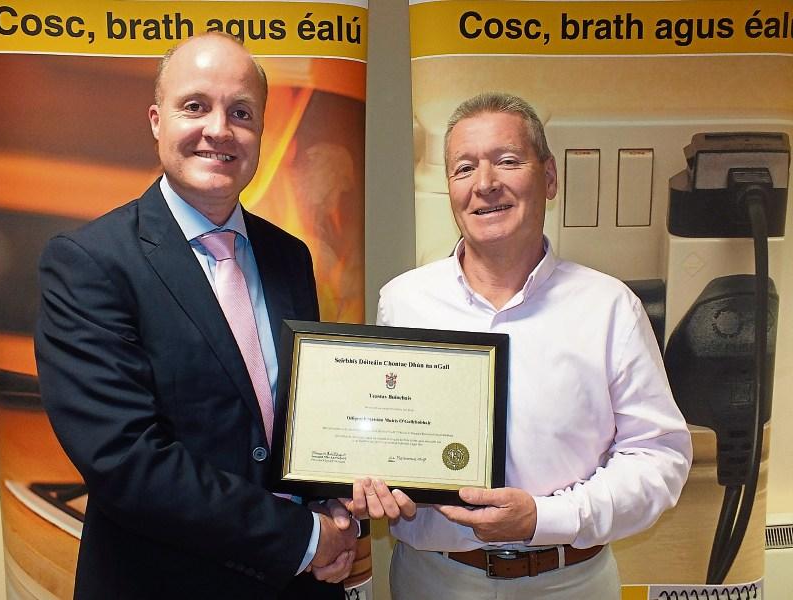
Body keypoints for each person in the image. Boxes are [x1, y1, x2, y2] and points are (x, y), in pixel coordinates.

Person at [34, 32, 356, 600]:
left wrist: (338, 498)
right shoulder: (89, 263)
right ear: (157, 120)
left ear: (261, 131)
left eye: (241, 112)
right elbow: (127, 461)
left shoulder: (290, 256)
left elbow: (297, 423)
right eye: (195, 106)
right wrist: (303, 537)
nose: (219, 129)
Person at [351, 92, 693, 599]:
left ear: (549, 177)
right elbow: (384, 432)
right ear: (449, 188)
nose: (484, 184)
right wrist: (372, 480)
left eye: (507, 161)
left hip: (571, 582)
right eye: (463, 168)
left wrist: (543, 517)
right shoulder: (404, 301)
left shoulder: (608, 306)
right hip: (434, 580)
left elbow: (659, 457)